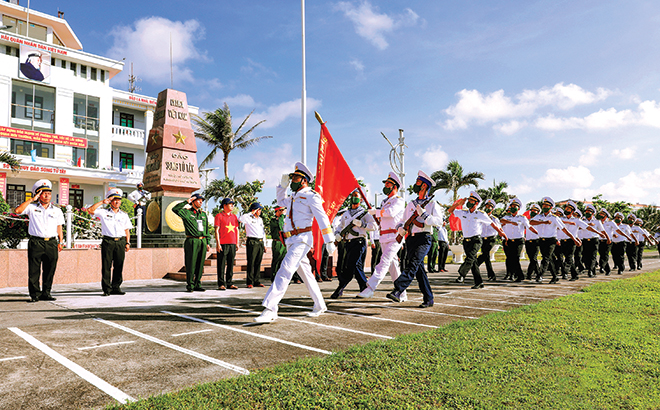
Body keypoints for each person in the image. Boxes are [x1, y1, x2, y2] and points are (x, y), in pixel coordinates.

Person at [254, 162, 336, 323]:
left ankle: (270, 308)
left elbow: (322, 218)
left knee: (285, 269)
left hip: (303, 238)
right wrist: (281, 186)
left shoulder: (312, 196)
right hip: (291, 239)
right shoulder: (293, 197)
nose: (292, 180)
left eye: (295, 178)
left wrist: (329, 239)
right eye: (292, 178)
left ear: (304, 180)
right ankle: (320, 305)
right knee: (306, 275)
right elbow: (280, 201)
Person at [386, 170, 444, 307]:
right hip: (411, 239)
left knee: (412, 264)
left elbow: (439, 222)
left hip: (424, 238)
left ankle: (398, 289)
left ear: (424, 186)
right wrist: (401, 227)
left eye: (418, 182)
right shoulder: (411, 204)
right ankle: (429, 298)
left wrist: (424, 215)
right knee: (418, 270)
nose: (415, 185)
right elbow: (403, 220)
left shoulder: (432, 204)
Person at [357, 172, 407, 301]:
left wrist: (376, 212)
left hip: (395, 237)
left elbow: (390, 213)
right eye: (385, 184)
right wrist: (376, 212)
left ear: (394, 186)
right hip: (384, 236)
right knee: (393, 266)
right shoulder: (385, 202)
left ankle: (370, 288)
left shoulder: (399, 200)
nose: (385, 186)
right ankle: (401, 293)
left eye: (388, 184)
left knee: (383, 263)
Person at [15, 179, 64, 303]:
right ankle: (35, 294)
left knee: (50, 269)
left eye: (49, 193)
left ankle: (46, 293)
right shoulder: (31, 207)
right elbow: (18, 211)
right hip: (36, 242)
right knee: (34, 270)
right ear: (38, 194)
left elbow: (59, 226)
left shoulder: (56, 210)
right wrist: (32, 199)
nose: (47, 195)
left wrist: (61, 241)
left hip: (51, 242)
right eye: (43, 193)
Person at [447, 191, 507, 289]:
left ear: (476, 203)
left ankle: (462, 274)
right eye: (468, 200)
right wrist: (458, 204)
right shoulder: (463, 212)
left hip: (476, 240)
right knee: (473, 262)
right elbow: (450, 211)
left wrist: (500, 232)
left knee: (470, 258)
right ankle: (479, 282)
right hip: (466, 241)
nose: (469, 201)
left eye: (471, 200)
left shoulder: (480, 214)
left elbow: (492, 223)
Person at [331, 191, 377, 298]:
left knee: (351, 265)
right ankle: (365, 288)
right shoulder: (346, 214)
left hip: (359, 241)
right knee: (357, 266)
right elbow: (340, 226)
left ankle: (340, 287)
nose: (354, 198)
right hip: (348, 242)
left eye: (356, 196)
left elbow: (374, 226)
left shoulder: (364, 213)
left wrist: (362, 224)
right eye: (352, 196)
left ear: (361, 200)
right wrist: (337, 234)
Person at [87, 188, 133, 296]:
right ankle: (107, 289)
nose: (117, 202)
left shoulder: (124, 215)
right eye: (114, 199)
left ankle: (116, 287)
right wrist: (102, 202)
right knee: (106, 266)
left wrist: (128, 242)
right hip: (108, 241)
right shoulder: (103, 212)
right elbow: (90, 210)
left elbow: (127, 230)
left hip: (120, 241)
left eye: (119, 200)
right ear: (110, 201)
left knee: (119, 265)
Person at [529, 197, 580, 284]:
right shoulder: (539, 216)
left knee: (545, 258)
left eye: (546, 205)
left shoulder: (554, 218)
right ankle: (555, 276)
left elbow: (564, 229)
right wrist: (543, 222)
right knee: (550, 259)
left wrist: (574, 238)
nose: (544, 207)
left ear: (551, 207)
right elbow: (531, 222)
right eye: (543, 205)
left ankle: (540, 275)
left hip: (551, 241)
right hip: (541, 240)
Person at [173, 194, 211, 292]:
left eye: (202, 201)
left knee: (200, 263)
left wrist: (207, 242)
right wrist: (187, 201)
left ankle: (198, 283)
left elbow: (206, 229)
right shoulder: (186, 212)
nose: (201, 202)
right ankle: (190, 284)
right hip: (192, 240)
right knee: (191, 263)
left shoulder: (203, 214)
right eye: (198, 200)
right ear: (193, 202)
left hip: (202, 240)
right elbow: (175, 209)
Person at [500, 197, 537, 282]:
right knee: (510, 258)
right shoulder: (506, 217)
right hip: (508, 241)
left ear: (518, 208)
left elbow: (529, 227)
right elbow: (501, 221)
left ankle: (519, 275)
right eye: (511, 206)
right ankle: (514, 274)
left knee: (516, 258)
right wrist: (511, 222)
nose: (513, 207)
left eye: (515, 206)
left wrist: (537, 233)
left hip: (518, 241)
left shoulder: (522, 218)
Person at [557, 201, 592, 281]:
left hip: (572, 241)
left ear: (572, 211)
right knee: (568, 258)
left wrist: (599, 233)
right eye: (566, 208)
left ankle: (564, 272)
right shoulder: (561, 219)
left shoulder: (576, 220)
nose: (566, 210)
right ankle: (574, 275)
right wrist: (568, 222)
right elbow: (556, 222)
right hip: (563, 241)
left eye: (568, 209)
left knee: (569, 257)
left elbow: (587, 227)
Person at [240, 202, 267, 288]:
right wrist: (251, 212)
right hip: (252, 241)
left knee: (258, 262)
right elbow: (240, 219)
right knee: (251, 262)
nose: (260, 211)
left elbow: (263, 232)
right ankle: (250, 282)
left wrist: (265, 244)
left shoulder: (260, 219)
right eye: (258, 209)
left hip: (260, 242)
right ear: (254, 210)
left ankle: (256, 281)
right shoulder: (248, 217)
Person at [215, 198, 239, 290]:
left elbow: (237, 230)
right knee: (221, 264)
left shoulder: (234, 217)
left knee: (230, 263)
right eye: (230, 204)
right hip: (223, 243)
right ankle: (221, 283)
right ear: (224, 205)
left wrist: (237, 242)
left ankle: (230, 283)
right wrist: (218, 244)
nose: (232, 205)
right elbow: (216, 230)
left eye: (233, 204)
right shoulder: (219, 216)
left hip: (232, 243)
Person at [475, 199, 500, 281]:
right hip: (482, 239)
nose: (487, 208)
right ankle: (491, 275)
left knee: (485, 254)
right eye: (486, 206)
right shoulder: (481, 217)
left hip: (491, 239)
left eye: (489, 207)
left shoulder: (495, 219)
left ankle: (474, 265)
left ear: (492, 209)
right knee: (486, 257)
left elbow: (499, 229)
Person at [269, 206, 287, 281]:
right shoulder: (274, 220)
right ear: (277, 211)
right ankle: (274, 276)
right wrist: (282, 216)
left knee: (283, 260)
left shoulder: (284, 219)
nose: (283, 211)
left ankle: (281, 277)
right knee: (276, 260)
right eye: (281, 210)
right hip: (277, 242)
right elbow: (280, 227)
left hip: (284, 242)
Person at [524, 204, 541, 280]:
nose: (533, 212)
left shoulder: (540, 220)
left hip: (536, 241)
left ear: (538, 212)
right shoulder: (526, 220)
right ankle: (531, 274)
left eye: (535, 210)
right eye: (532, 210)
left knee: (534, 258)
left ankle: (535, 274)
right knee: (531, 259)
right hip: (528, 241)